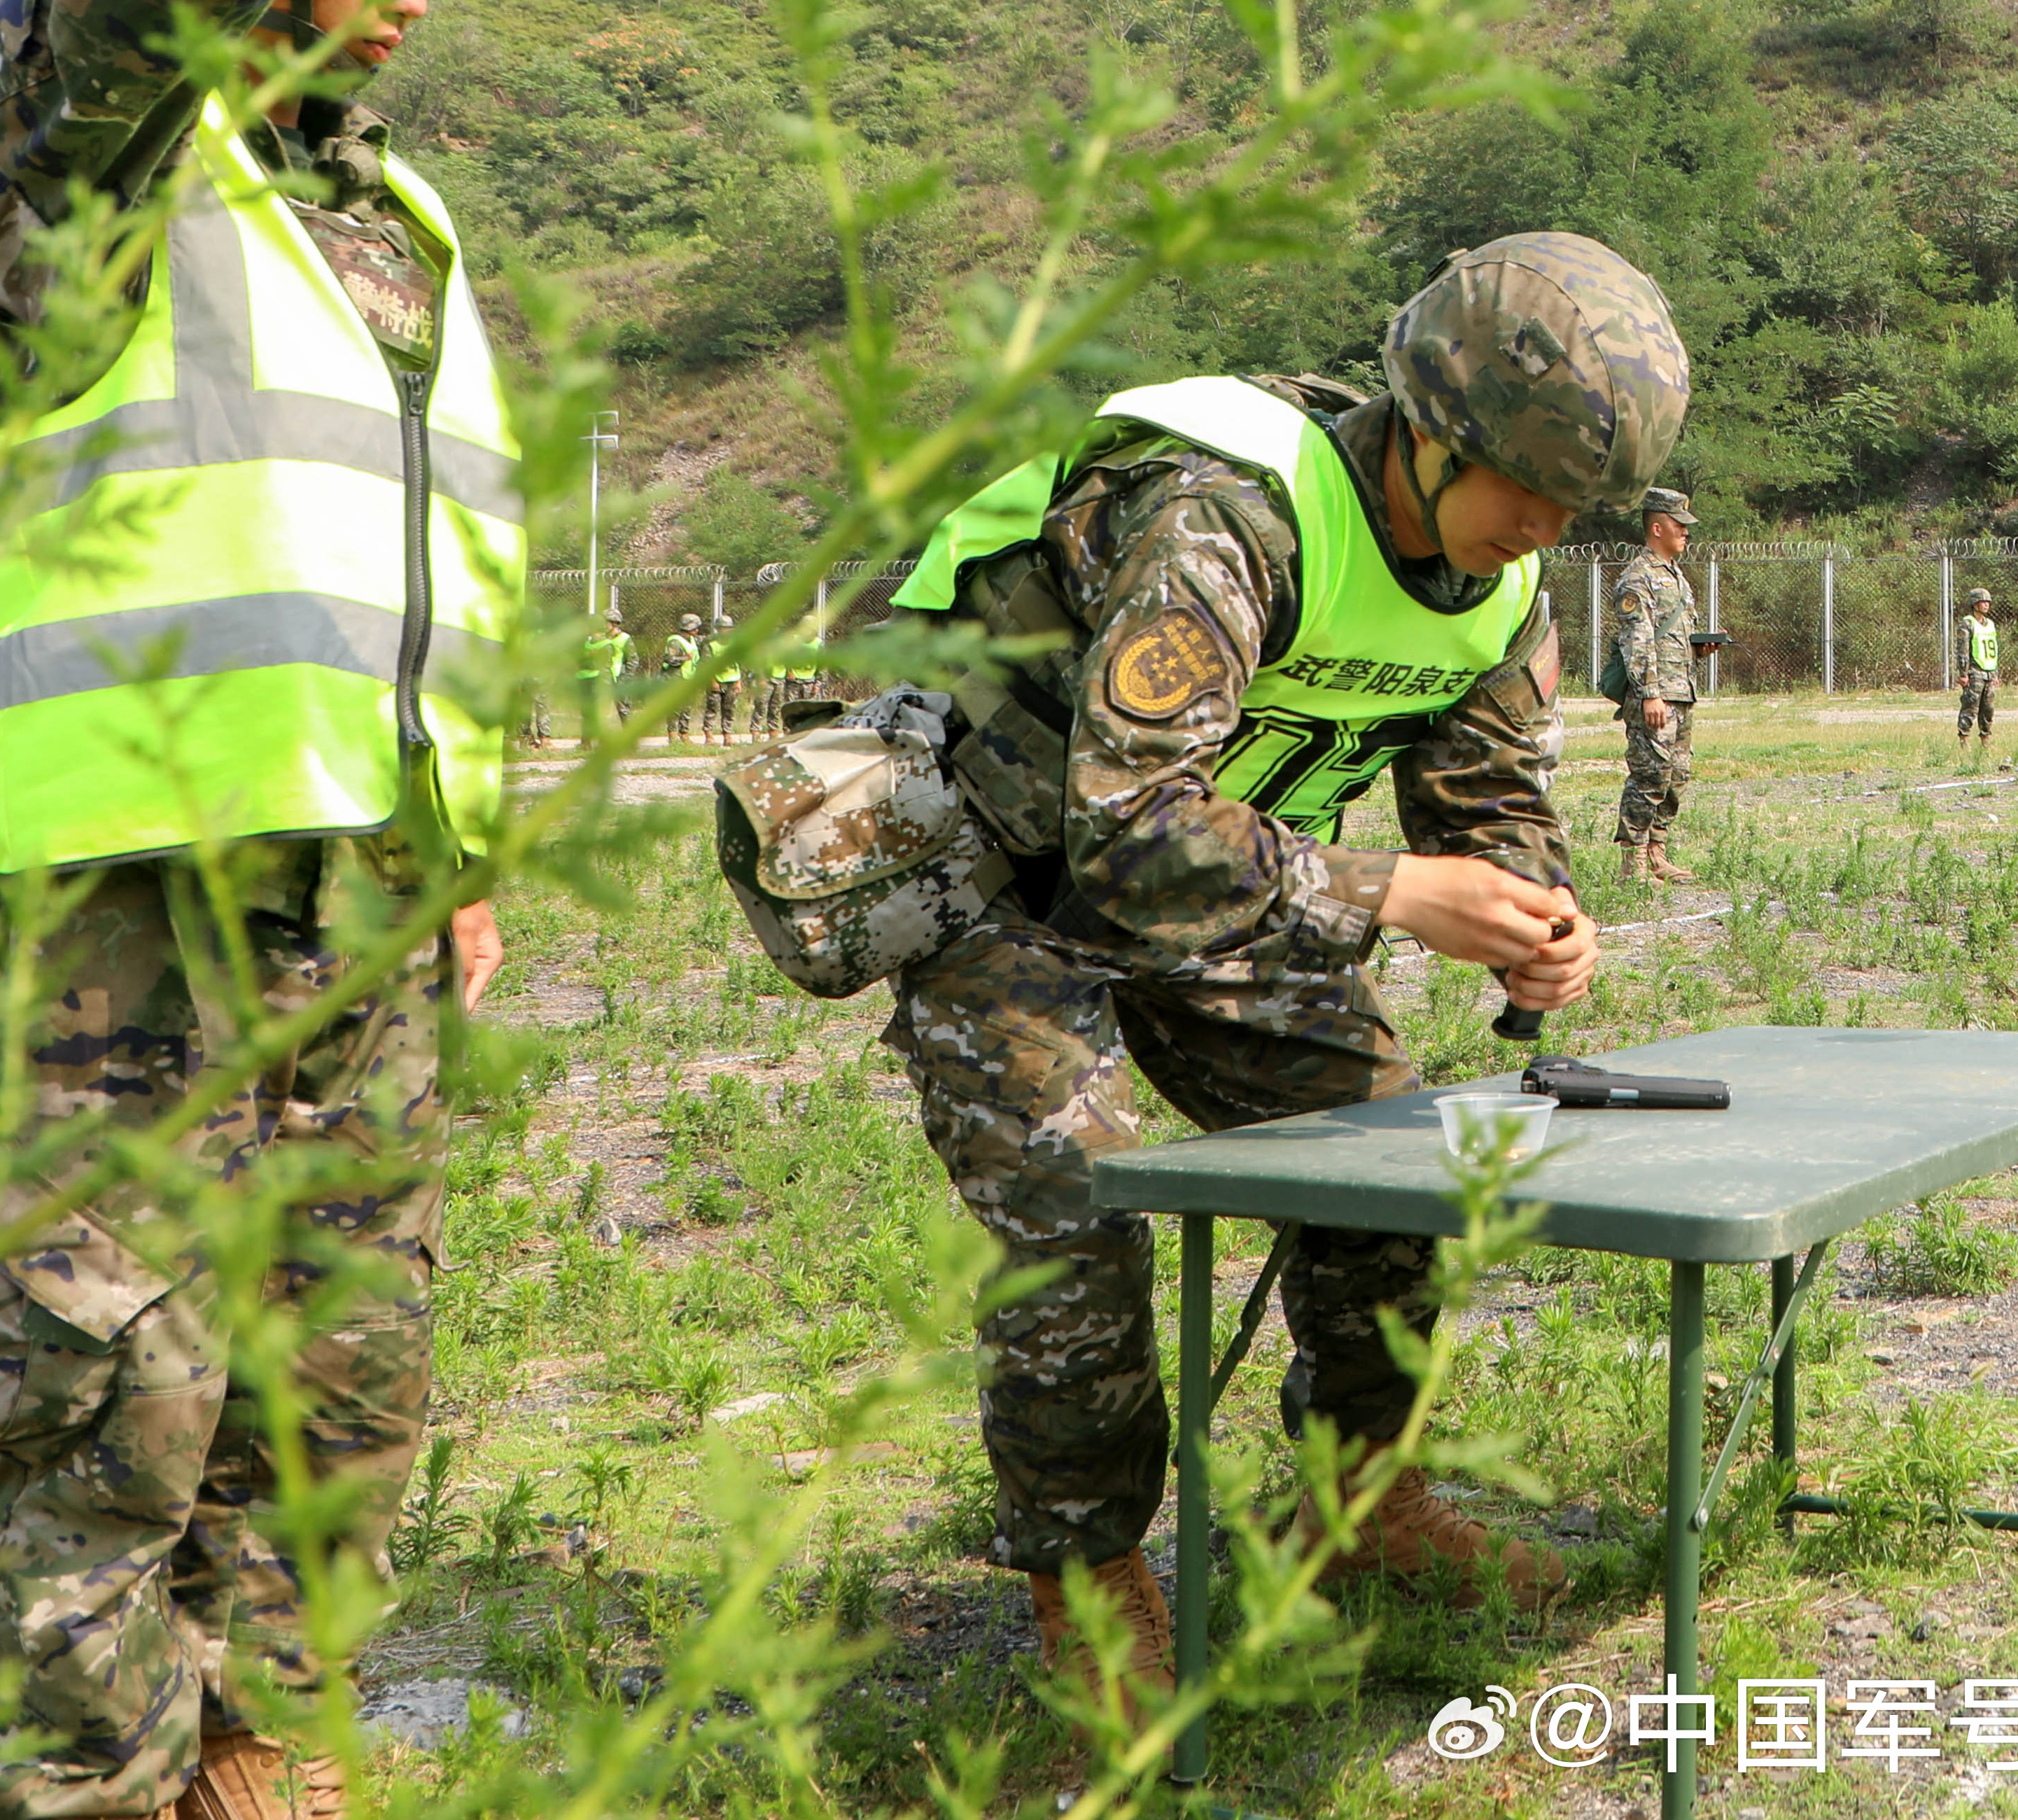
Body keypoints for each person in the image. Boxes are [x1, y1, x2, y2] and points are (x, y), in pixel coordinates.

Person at [0, 0, 615, 1820]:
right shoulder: (72, 154)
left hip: (361, 929)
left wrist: (454, 847)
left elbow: (399, 570)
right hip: (129, 922)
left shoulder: (399, 227)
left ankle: (259, 1770)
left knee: (334, 1418)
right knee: (114, 1429)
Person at [883, 232, 1677, 1700]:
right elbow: (1122, 830)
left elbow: (1486, 797)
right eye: (1526, 483)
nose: (1546, 524)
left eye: (1578, 503)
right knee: (1070, 1200)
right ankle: (1087, 1574)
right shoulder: (1222, 515)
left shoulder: (1499, 581)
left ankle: (1357, 1501)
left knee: (1394, 1166)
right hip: (1007, 875)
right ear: (1431, 432)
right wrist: (1390, 893)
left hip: (1229, 891)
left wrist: (1535, 912)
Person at [1609, 486, 1700, 881]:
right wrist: (1650, 693)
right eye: (1680, 526)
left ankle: (1658, 852)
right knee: (1649, 775)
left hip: (1680, 691)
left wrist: (1702, 647)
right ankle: (1635, 862)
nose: (1686, 533)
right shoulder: (1638, 578)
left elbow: (1671, 635)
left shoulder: (1675, 577)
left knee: (1676, 776)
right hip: (1656, 694)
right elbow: (1637, 640)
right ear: (1658, 527)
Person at [1954, 583, 2001, 757]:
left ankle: (1985, 742)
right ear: (1975, 604)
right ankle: (1964, 740)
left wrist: (1995, 673)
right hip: (1975, 672)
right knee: (1970, 708)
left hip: (1989, 671)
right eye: (1983, 602)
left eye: (1988, 602)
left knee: (1988, 710)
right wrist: (1964, 674)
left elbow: (1994, 650)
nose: (1986, 605)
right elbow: (1963, 650)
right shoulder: (1967, 624)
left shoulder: (1990, 625)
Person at [659, 610, 706, 746]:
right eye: (695, 627)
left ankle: (684, 734)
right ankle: (673, 736)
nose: (697, 630)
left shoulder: (692, 640)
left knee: (686, 708)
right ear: (687, 627)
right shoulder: (675, 641)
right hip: (675, 679)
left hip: (688, 678)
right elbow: (669, 659)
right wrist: (685, 658)